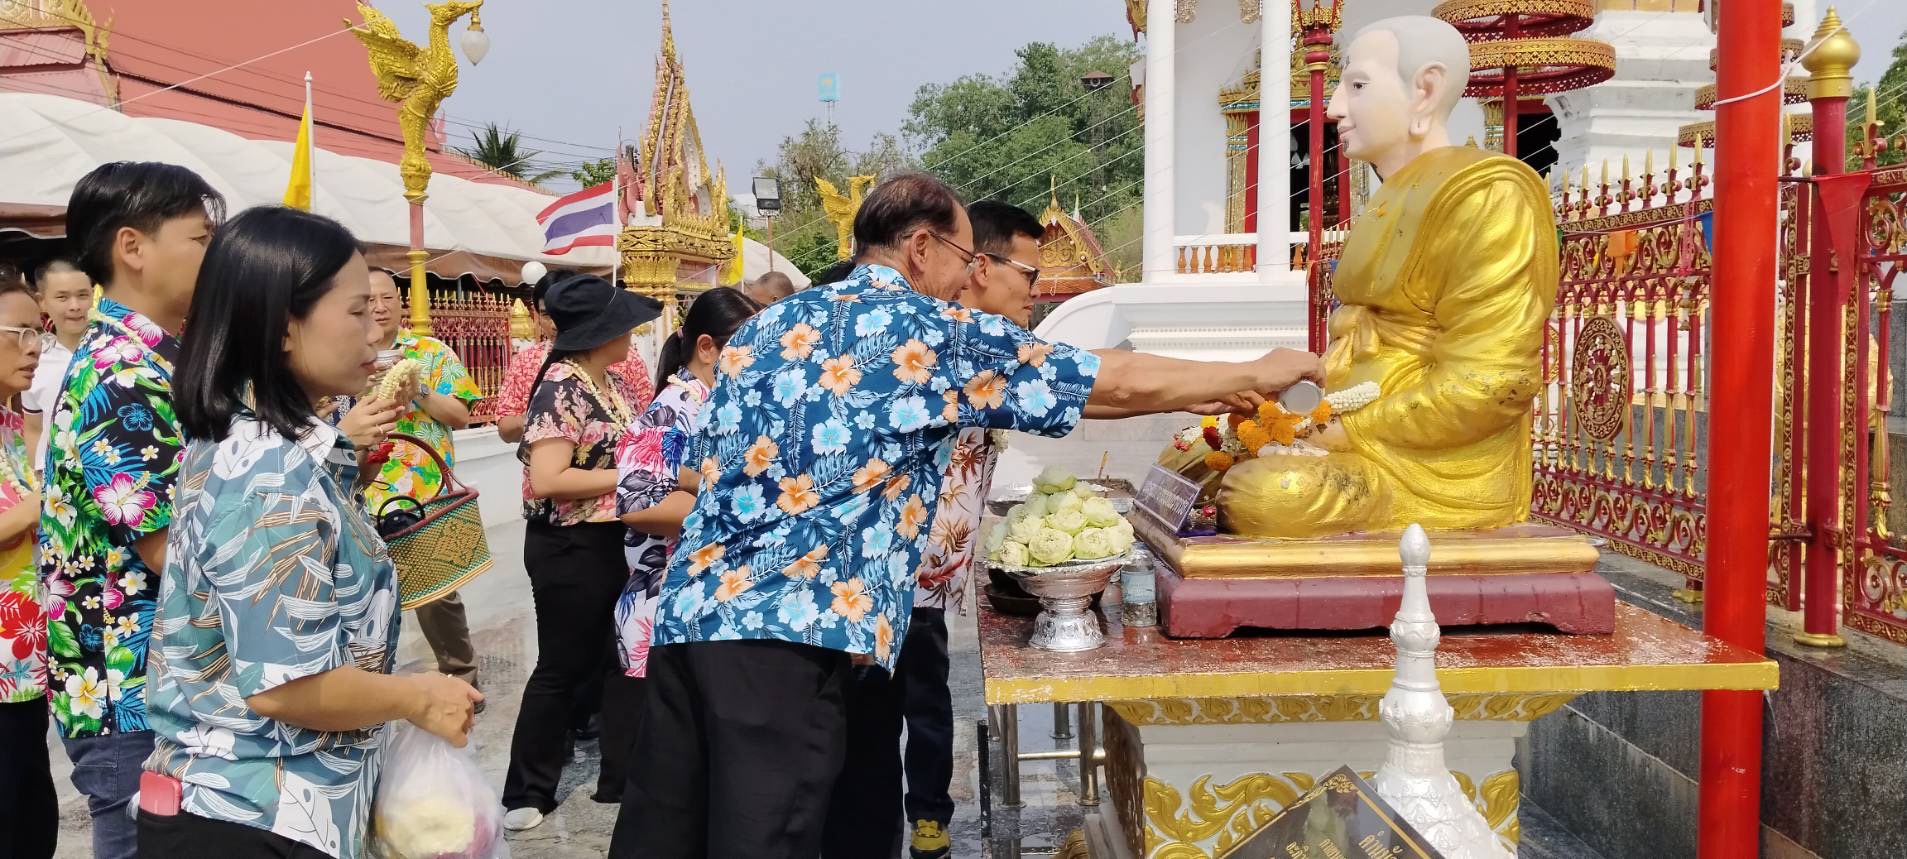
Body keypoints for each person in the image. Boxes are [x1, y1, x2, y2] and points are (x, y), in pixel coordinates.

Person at [617, 173, 1321, 859]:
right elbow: (1101, 378)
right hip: (791, 636)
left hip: (690, 619)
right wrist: (1250, 370)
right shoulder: (921, 329)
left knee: (669, 835)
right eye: (964, 259)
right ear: (920, 247)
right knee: (763, 836)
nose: (966, 278)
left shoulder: (761, 328)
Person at [143, 206, 480, 857]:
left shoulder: (287, 451)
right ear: (284, 326)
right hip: (249, 815)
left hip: (284, 811)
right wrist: (418, 695)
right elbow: (288, 683)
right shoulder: (265, 471)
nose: (375, 339)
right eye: (357, 313)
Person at [821, 199, 1048, 859]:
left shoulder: (986, 341)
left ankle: (927, 816)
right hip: (883, 571)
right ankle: (871, 832)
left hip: (930, 576)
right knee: (870, 719)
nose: (1034, 292)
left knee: (925, 702)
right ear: (979, 266)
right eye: (1028, 275)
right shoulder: (935, 338)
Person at [40, 161, 223, 859]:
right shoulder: (121, 375)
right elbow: (171, 550)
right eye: (200, 237)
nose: (215, 254)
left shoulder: (156, 360)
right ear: (133, 248)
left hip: (158, 685)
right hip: (134, 693)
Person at [503, 275, 663, 832]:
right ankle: (527, 789)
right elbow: (547, 477)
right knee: (561, 667)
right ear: (602, 332)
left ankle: (618, 775)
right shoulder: (561, 387)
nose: (633, 334)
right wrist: (632, 475)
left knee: (613, 657)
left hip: (607, 537)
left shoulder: (606, 382)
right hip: (568, 544)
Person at [599, 287, 761, 814]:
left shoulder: (724, 400)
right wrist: (735, 508)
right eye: (748, 345)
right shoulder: (674, 407)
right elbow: (638, 503)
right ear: (709, 347)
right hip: (666, 602)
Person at [349, 270, 486, 695]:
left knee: (436, 593)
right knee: (363, 593)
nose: (379, 306)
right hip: (360, 488)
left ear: (399, 301)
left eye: (387, 297)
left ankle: (461, 675)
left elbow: (462, 416)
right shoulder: (346, 353)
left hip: (421, 490)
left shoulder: (430, 352)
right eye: (368, 299)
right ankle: (368, 686)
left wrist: (418, 390)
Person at [0, 272, 52, 859]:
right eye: (18, 333)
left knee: (29, 816)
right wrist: (47, 501)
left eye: (36, 333)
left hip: (24, 662)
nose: (35, 346)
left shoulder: (13, 421)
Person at [494, 271, 655, 445]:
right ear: (536, 315)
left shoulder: (625, 367)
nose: (555, 324)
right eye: (547, 314)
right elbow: (507, 427)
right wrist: (542, 415)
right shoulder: (539, 370)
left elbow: (648, 418)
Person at [22, 257, 90, 468]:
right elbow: (34, 428)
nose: (75, 306)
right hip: (53, 487)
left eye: (83, 295)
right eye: (62, 297)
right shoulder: (34, 358)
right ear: (41, 301)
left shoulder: (116, 350)